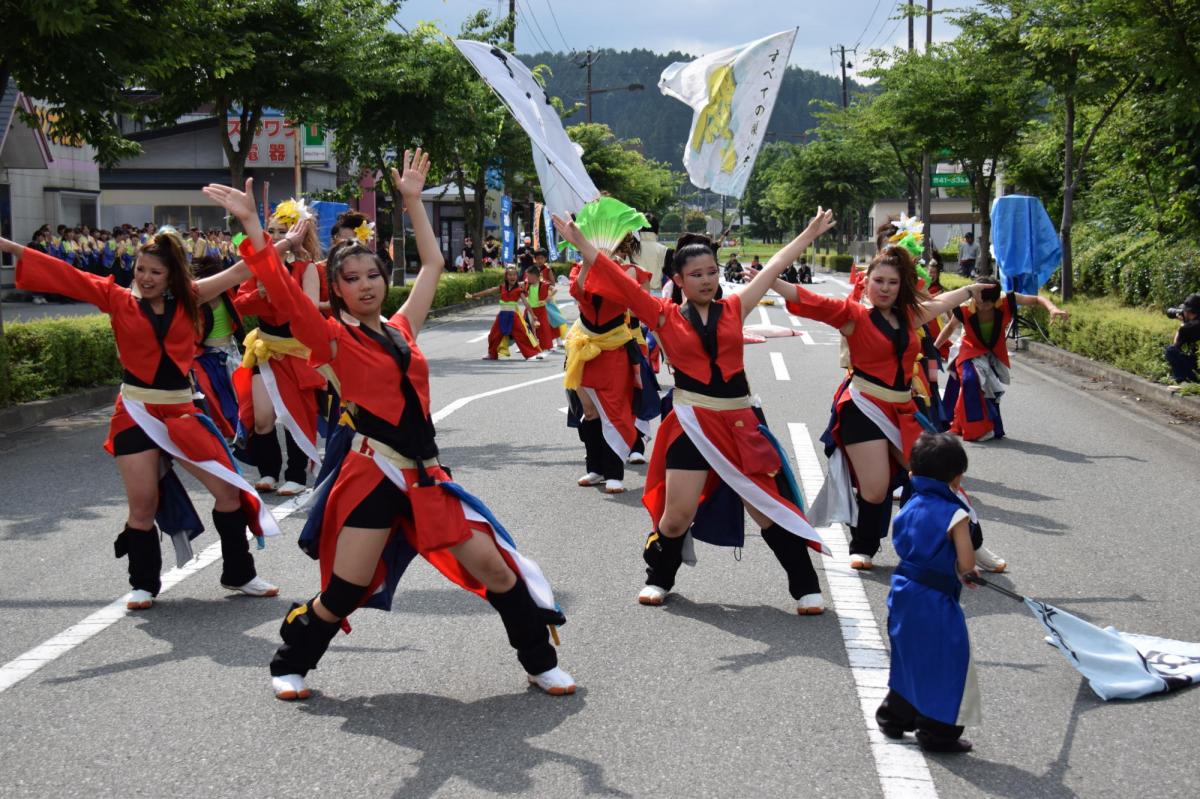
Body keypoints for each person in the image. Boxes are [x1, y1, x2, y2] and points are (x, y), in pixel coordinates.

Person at [203, 149, 575, 701]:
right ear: (338, 288)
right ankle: (293, 658)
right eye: (350, 278)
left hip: (427, 480)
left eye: (373, 274)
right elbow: (280, 293)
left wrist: (412, 202)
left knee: (496, 571)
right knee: (345, 589)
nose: (365, 284)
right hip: (374, 478)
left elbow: (432, 266)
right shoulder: (330, 337)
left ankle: (539, 662)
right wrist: (254, 227)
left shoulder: (402, 327)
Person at [553, 208, 836, 614]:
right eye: (697, 274)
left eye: (712, 272)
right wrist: (582, 244)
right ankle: (659, 578)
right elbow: (620, 284)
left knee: (766, 508)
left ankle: (805, 585)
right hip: (692, 423)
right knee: (675, 516)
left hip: (739, 423)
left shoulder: (736, 308)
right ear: (679, 281)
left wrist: (807, 233)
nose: (707, 280)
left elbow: (773, 266)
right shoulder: (664, 316)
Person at [2, 226, 281, 610]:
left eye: (155, 272)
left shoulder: (191, 297)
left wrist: (283, 244)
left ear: (172, 276)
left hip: (182, 412)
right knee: (143, 504)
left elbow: (240, 272)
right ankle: (144, 584)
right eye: (140, 269)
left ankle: (240, 574)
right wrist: (10, 245)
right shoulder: (116, 298)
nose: (145, 278)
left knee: (227, 492)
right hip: (136, 413)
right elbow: (67, 273)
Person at [776, 245, 986, 570]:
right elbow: (805, 298)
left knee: (938, 475)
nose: (885, 288)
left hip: (903, 409)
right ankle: (864, 546)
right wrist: (767, 279)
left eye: (892, 282)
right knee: (875, 489)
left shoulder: (909, 316)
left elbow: (943, 302)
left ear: (901, 285)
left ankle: (970, 541)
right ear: (866, 282)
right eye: (879, 281)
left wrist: (971, 289)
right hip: (863, 407)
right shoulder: (853, 315)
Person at [876, 432, 980, 754]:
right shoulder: (955, 514)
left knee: (909, 654)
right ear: (957, 477)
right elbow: (966, 561)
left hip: (904, 591)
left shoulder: (910, 505)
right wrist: (968, 574)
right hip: (936, 599)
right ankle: (937, 732)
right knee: (946, 660)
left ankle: (894, 716)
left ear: (911, 474)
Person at [231, 199, 326, 496]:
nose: (277, 235)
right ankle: (268, 471)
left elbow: (308, 310)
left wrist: (280, 292)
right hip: (264, 348)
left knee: (294, 416)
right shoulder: (258, 267)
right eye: (273, 231)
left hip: (296, 350)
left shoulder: (306, 268)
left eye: (284, 230)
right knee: (262, 417)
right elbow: (241, 304)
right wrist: (261, 292)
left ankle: (296, 473)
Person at [935, 277, 1068, 442]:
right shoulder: (964, 308)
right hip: (968, 350)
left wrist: (1052, 308)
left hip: (991, 354)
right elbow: (950, 328)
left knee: (986, 390)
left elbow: (1036, 299)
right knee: (970, 380)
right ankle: (969, 427)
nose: (983, 307)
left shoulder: (1007, 300)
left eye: (988, 304)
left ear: (996, 299)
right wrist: (934, 347)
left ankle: (966, 425)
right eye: (980, 302)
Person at [466, 265, 545, 361]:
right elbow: (489, 291)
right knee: (493, 335)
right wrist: (475, 295)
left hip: (514, 316)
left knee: (523, 334)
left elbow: (526, 303)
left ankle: (532, 354)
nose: (512, 277)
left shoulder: (519, 290)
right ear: (506, 276)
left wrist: (533, 315)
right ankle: (492, 354)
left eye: (514, 275)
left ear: (517, 276)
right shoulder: (502, 287)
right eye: (510, 275)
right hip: (502, 316)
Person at [522, 260, 557, 352]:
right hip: (529, 310)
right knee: (527, 328)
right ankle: (530, 345)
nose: (527, 278)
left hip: (541, 309)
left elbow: (554, 289)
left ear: (534, 276)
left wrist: (547, 298)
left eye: (528, 276)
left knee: (544, 328)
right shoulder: (526, 284)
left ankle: (545, 346)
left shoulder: (544, 284)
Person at [1165, 293, 1200, 384]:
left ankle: (1182, 380)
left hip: (1196, 368)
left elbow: (1176, 345)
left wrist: (1183, 325)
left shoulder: (1188, 327)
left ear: (1188, 311)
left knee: (1170, 350)